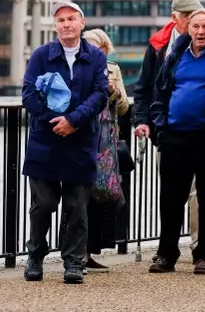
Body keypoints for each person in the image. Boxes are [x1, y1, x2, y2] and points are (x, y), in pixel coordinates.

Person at [21, 1, 109, 284]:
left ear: (82, 23)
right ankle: (35, 255)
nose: (66, 24)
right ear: (55, 25)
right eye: (60, 20)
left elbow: (100, 94)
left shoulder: (95, 56)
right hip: (44, 140)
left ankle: (73, 261)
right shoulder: (41, 55)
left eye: (71, 19)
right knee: (43, 204)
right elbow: (28, 95)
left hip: (80, 139)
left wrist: (73, 120)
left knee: (76, 206)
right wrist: (55, 119)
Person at [146, 8, 205, 275]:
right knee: (171, 200)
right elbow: (159, 92)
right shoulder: (174, 56)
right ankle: (167, 254)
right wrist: (160, 128)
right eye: (196, 26)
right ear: (188, 28)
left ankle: (203, 255)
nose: (200, 31)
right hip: (175, 137)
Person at [133, 0, 205, 248]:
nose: (191, 22)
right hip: (167, 131)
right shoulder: (157, 47)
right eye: (186, 17)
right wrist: (143, 121)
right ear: (174, 18)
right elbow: (142, 89)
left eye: (194, 16)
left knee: (199, 193)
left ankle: (199, 246)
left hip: (201, 131)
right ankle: (168, 248)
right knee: (172, 193)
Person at [81, 29, 131, 273]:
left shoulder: (114, 70)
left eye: (100, 52)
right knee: (78, 194)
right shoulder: (77, 68)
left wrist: (115, 91)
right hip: (82, 136)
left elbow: (123, 108)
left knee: (100, 194)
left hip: (105, 140)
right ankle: (76, 252)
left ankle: (89, 251)